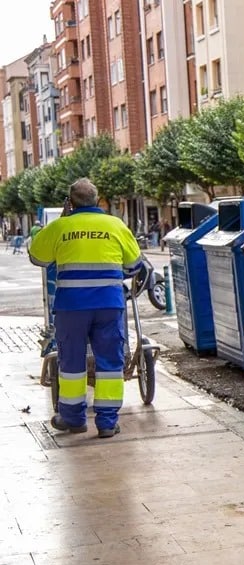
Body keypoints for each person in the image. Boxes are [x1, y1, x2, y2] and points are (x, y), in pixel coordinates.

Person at [29, 178, 144, 438]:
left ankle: (73, 419)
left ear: (70, 202)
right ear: (98, 199)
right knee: (110, 362)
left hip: (72, 306)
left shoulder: (61, 226)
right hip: (108, 305)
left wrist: (62, 219)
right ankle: (107, 422)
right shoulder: (115, 225)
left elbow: (37, 257)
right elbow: (134, 264)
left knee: (71, 361)